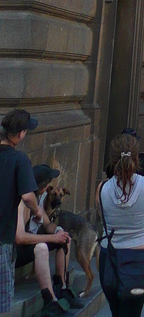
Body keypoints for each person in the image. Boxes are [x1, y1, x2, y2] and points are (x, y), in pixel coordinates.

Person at [97, 133, 144, 317]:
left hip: (110, 257)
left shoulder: (101, 189)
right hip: (138, 259)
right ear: (137, 157)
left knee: (117, 312)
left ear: (112, 161)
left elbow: (103, 217)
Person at [0, 109, 51, 317]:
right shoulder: (19, 159)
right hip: (2, 237)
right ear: (20, 134)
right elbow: (28, 196)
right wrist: (37, 210)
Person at [15, 162, 76, 317]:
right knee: (41, 247)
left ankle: (61, 287)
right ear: (43, 186)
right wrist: (51, 237)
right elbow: (19, 238)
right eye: (48, 183)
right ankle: (50, 301)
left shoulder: (37, 198)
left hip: (27, 244)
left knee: (63, 237)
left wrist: (57, 231)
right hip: (14, 253)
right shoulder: (21, 202)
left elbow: (47, 224)